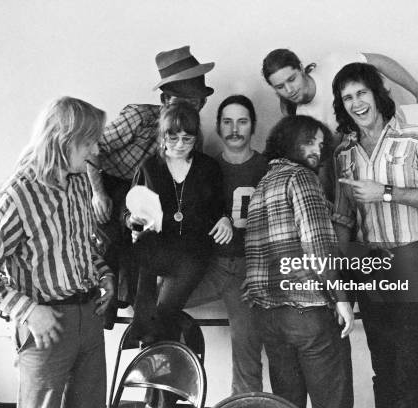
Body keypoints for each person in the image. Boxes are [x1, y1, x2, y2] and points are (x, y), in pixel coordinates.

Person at [0, 97, 115, 408]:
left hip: (90, 317)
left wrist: (105, 274)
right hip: (46, 327)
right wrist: (28, 311)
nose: (95, 152)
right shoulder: (18, 194)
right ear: (62, 140)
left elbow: (80, 247)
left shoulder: (79, 183)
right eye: (88, 143)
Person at [332, 62, 418, 408]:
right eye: (347, 98)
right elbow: (344, 221)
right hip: (368, 264)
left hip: (412, 259)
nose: (356, 103)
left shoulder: (414, 137)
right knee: (382, 367)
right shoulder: (343, 153)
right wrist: (341, 284)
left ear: (377, 94)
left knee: (410, 366)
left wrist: (385, 192)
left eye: (361, 93)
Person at [86, 46, 215, 317]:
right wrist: (98, 193)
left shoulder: (194, 139)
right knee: (110, 246)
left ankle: (144, 313)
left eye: (200, 103)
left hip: (149, 199)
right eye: (188, 102)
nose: (196, 108)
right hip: (112, 186)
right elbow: (92, 148)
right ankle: (110, 308)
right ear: (167, 99)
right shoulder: (138, 116)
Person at [243, 115, 354, 408]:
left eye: (320, 144)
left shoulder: (260, 187)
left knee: (287, 404)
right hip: (309, 315)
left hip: (269, 318)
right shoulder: (301, 178)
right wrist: (341, 298)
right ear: (288, 142)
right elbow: (318, 244)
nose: (317, 150)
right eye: (309, 141)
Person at [261, 49, 418, 201]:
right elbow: (323, 161)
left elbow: (379, 62)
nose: (289, 90)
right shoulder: (297, 114)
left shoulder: (333, 65)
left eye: (292, 79)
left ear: (301, 68)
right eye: (280, 86)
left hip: (392, 154)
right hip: (356, 171)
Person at [126, 101, 233, 344]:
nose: (180, 145)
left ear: (196, 138)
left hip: (193, 250)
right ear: (162, 136)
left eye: (187, 139)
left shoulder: (208, 167)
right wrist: (133, 223)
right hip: (158, 246)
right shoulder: (150, 167)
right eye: (173, 138)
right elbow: (131, 210)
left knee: (164, 312)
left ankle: (149, 339)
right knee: (141, 248)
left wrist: (225, 220)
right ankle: (149, 336)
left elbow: (219, 208)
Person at [186, 95, 268, 394]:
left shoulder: (268, 167)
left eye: (242, 121)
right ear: (218, 127)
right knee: (158, 310)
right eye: (228, 122)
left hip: (250, 272)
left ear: (253, 126)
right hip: (211, 267)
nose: (235, 129)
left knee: (248, 355)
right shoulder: (205, 167)